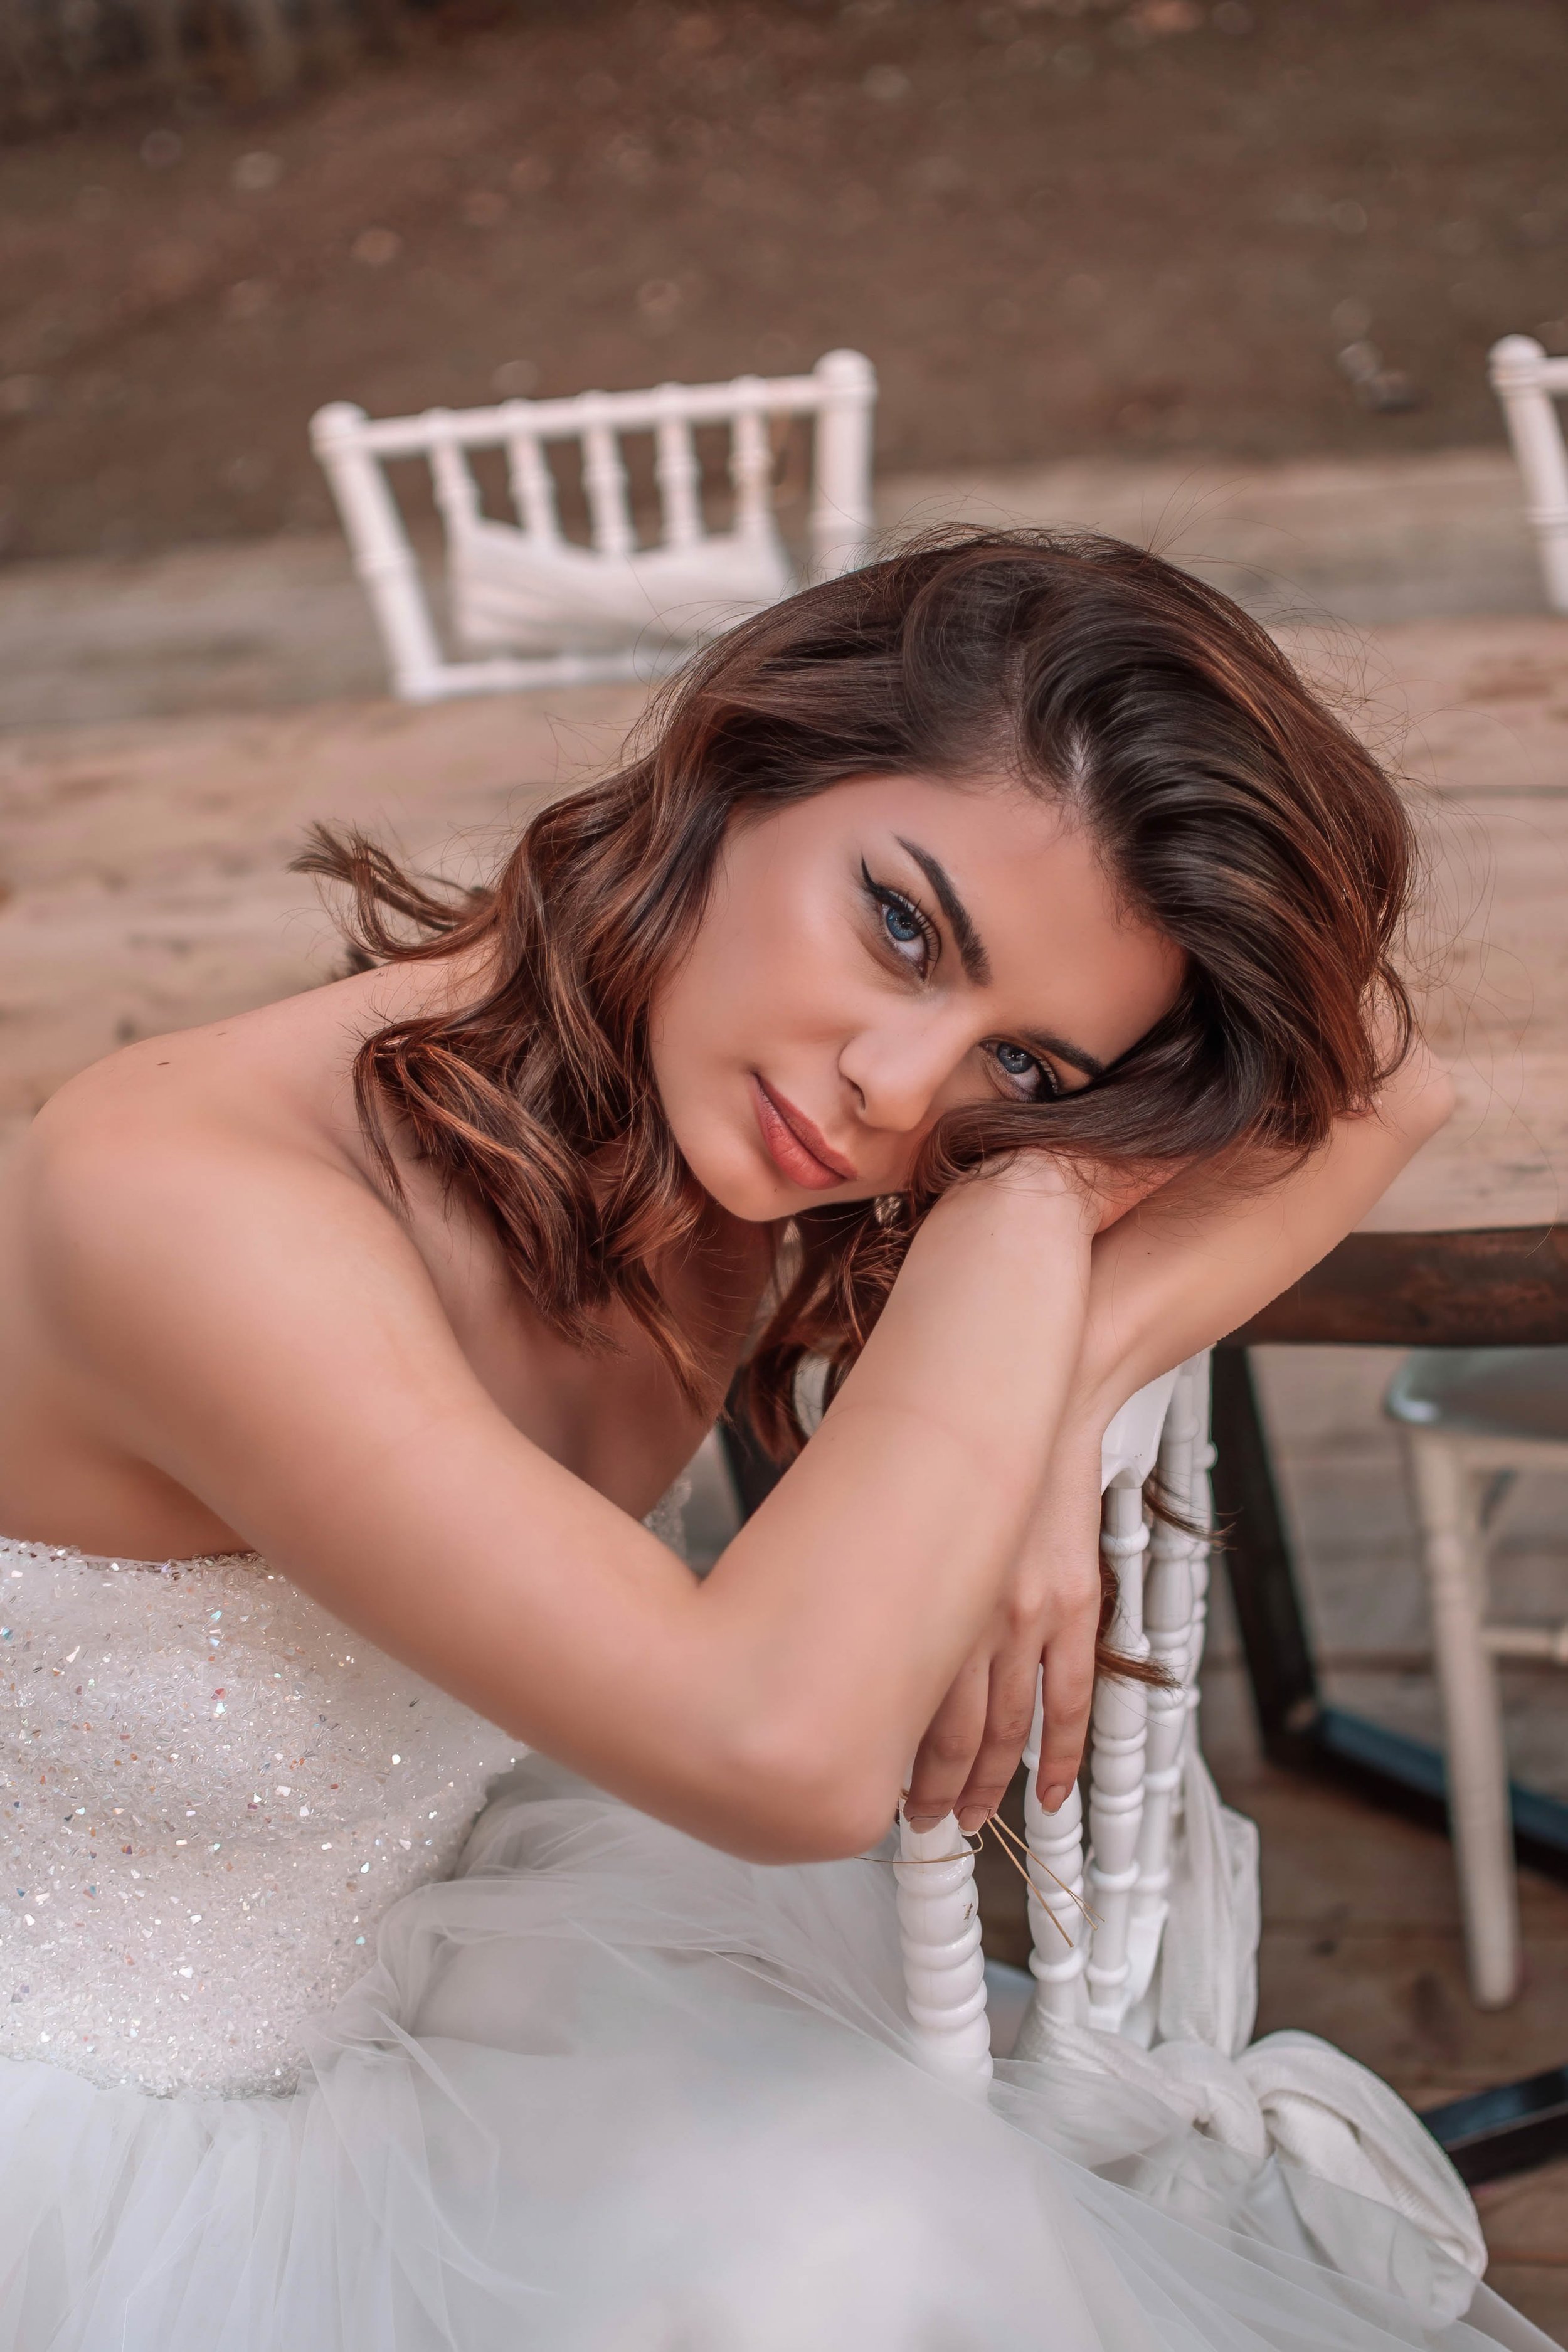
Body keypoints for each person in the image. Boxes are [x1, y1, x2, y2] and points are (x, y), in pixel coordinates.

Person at [0, 534, 1542, 2350]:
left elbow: (1371, 1066)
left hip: (390, 1993)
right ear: (738, 766)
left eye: (1027, 1068)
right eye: (899, 925)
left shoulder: (695, 1146)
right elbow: (783, 1751)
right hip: (84, 2131)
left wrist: (1054, 1379)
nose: (901, 1089)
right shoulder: (185, 1203)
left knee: (863, 2234)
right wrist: (1017, 1230)